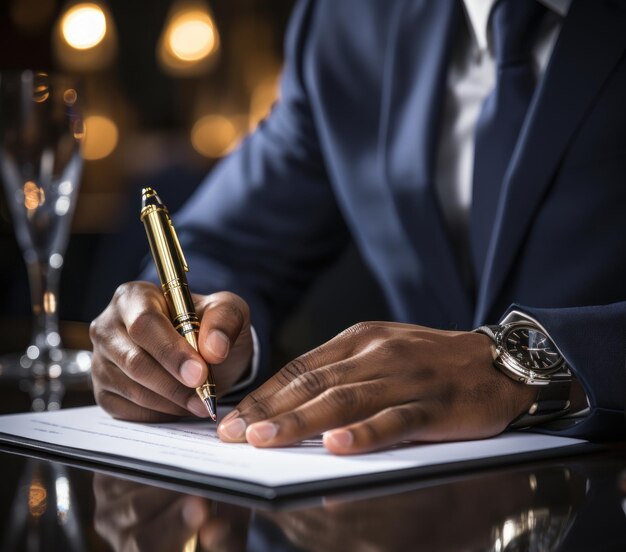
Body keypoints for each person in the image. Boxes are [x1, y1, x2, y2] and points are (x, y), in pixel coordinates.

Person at [89, 0, 626, 454]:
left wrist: (526, 365)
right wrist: (196, 331)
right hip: (406, 525)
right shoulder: (347, 19)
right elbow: (230, 244)